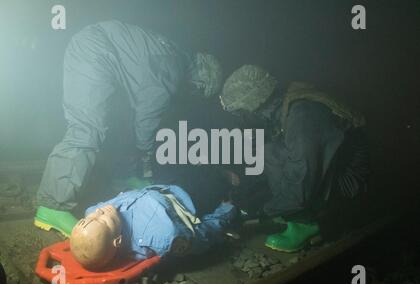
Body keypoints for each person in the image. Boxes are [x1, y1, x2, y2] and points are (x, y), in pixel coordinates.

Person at [35, 20, 223, 237]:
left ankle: (124, 177)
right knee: (88, 127)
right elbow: (148, 116)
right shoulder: (172, 68)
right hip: (94, 53)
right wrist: (146, 153)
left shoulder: (174, 55)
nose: (192, 93)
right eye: (197, 90)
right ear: (201, 81)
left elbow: (139, 105)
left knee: (120, 124)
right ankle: (53, 205)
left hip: (102, 52)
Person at [219, 65, 369, 252]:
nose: (241, 119)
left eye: (240, 112)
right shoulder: (287, 103)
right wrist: (252, 196)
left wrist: (262, 211)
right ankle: (303, 214)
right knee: (271, 151)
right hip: (334, 170)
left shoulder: (303, 116)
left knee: (273, 154)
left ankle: (307, 223)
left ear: (254, 105)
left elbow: (302, 176)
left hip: (350, 185)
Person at [70, 185, 238, 270]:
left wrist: (97, 218)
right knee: (220, 184)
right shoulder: (163, 237)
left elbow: (94, 213)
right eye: (103, 220)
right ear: (118, 240)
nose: (98, 212)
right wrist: (225, 212)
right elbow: (202, 236)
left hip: (161, 188)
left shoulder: (95, 213)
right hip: (188, 201)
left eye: (89, 219)